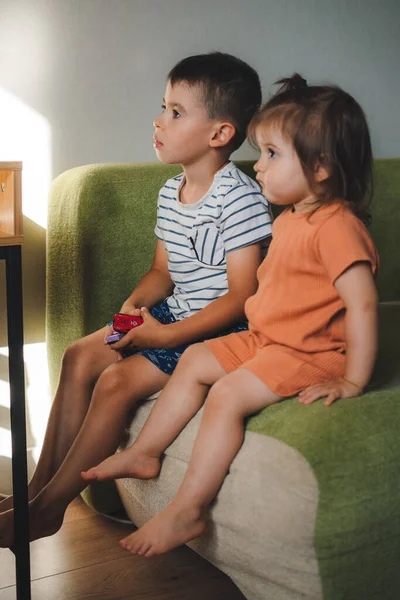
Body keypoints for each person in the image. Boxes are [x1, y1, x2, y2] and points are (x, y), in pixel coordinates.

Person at [84, 73, 380, 557]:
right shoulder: (289, 217)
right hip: (268, 338)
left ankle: (187, 511)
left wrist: (353, 380)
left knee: (225, 395)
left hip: (309, 352)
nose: (257, 166)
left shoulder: (338, 227)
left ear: (321, 166)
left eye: (271, 154)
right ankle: (144, 452)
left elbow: (363, 304)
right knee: (195, 359)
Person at [0, 52, 273, 547]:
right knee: (80, 354)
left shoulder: (241, 198)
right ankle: (35, 492)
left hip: (218, 327)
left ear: (219, 134)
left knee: (115, 383)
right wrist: (134, 304)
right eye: (162, 107)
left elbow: (241, 297)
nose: (159, 120)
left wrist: (162, 335)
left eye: (175, 111)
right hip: (171, 312)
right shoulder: (171, 193)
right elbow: (162, 273)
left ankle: (47, 511)